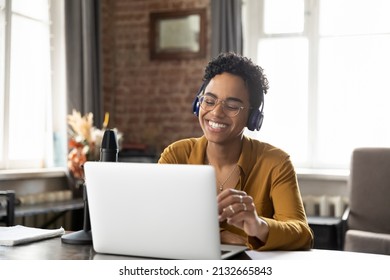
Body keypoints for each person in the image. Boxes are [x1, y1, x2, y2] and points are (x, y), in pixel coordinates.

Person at [158, 52, 313, 251]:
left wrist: (259, 226)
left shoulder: (276, 162)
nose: (216, 113)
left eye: (232, 105)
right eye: (209, 101)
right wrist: (220, 236)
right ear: (198, 104)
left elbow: (302, 234)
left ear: (253, 116)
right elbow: (159, 221)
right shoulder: (176, 156)